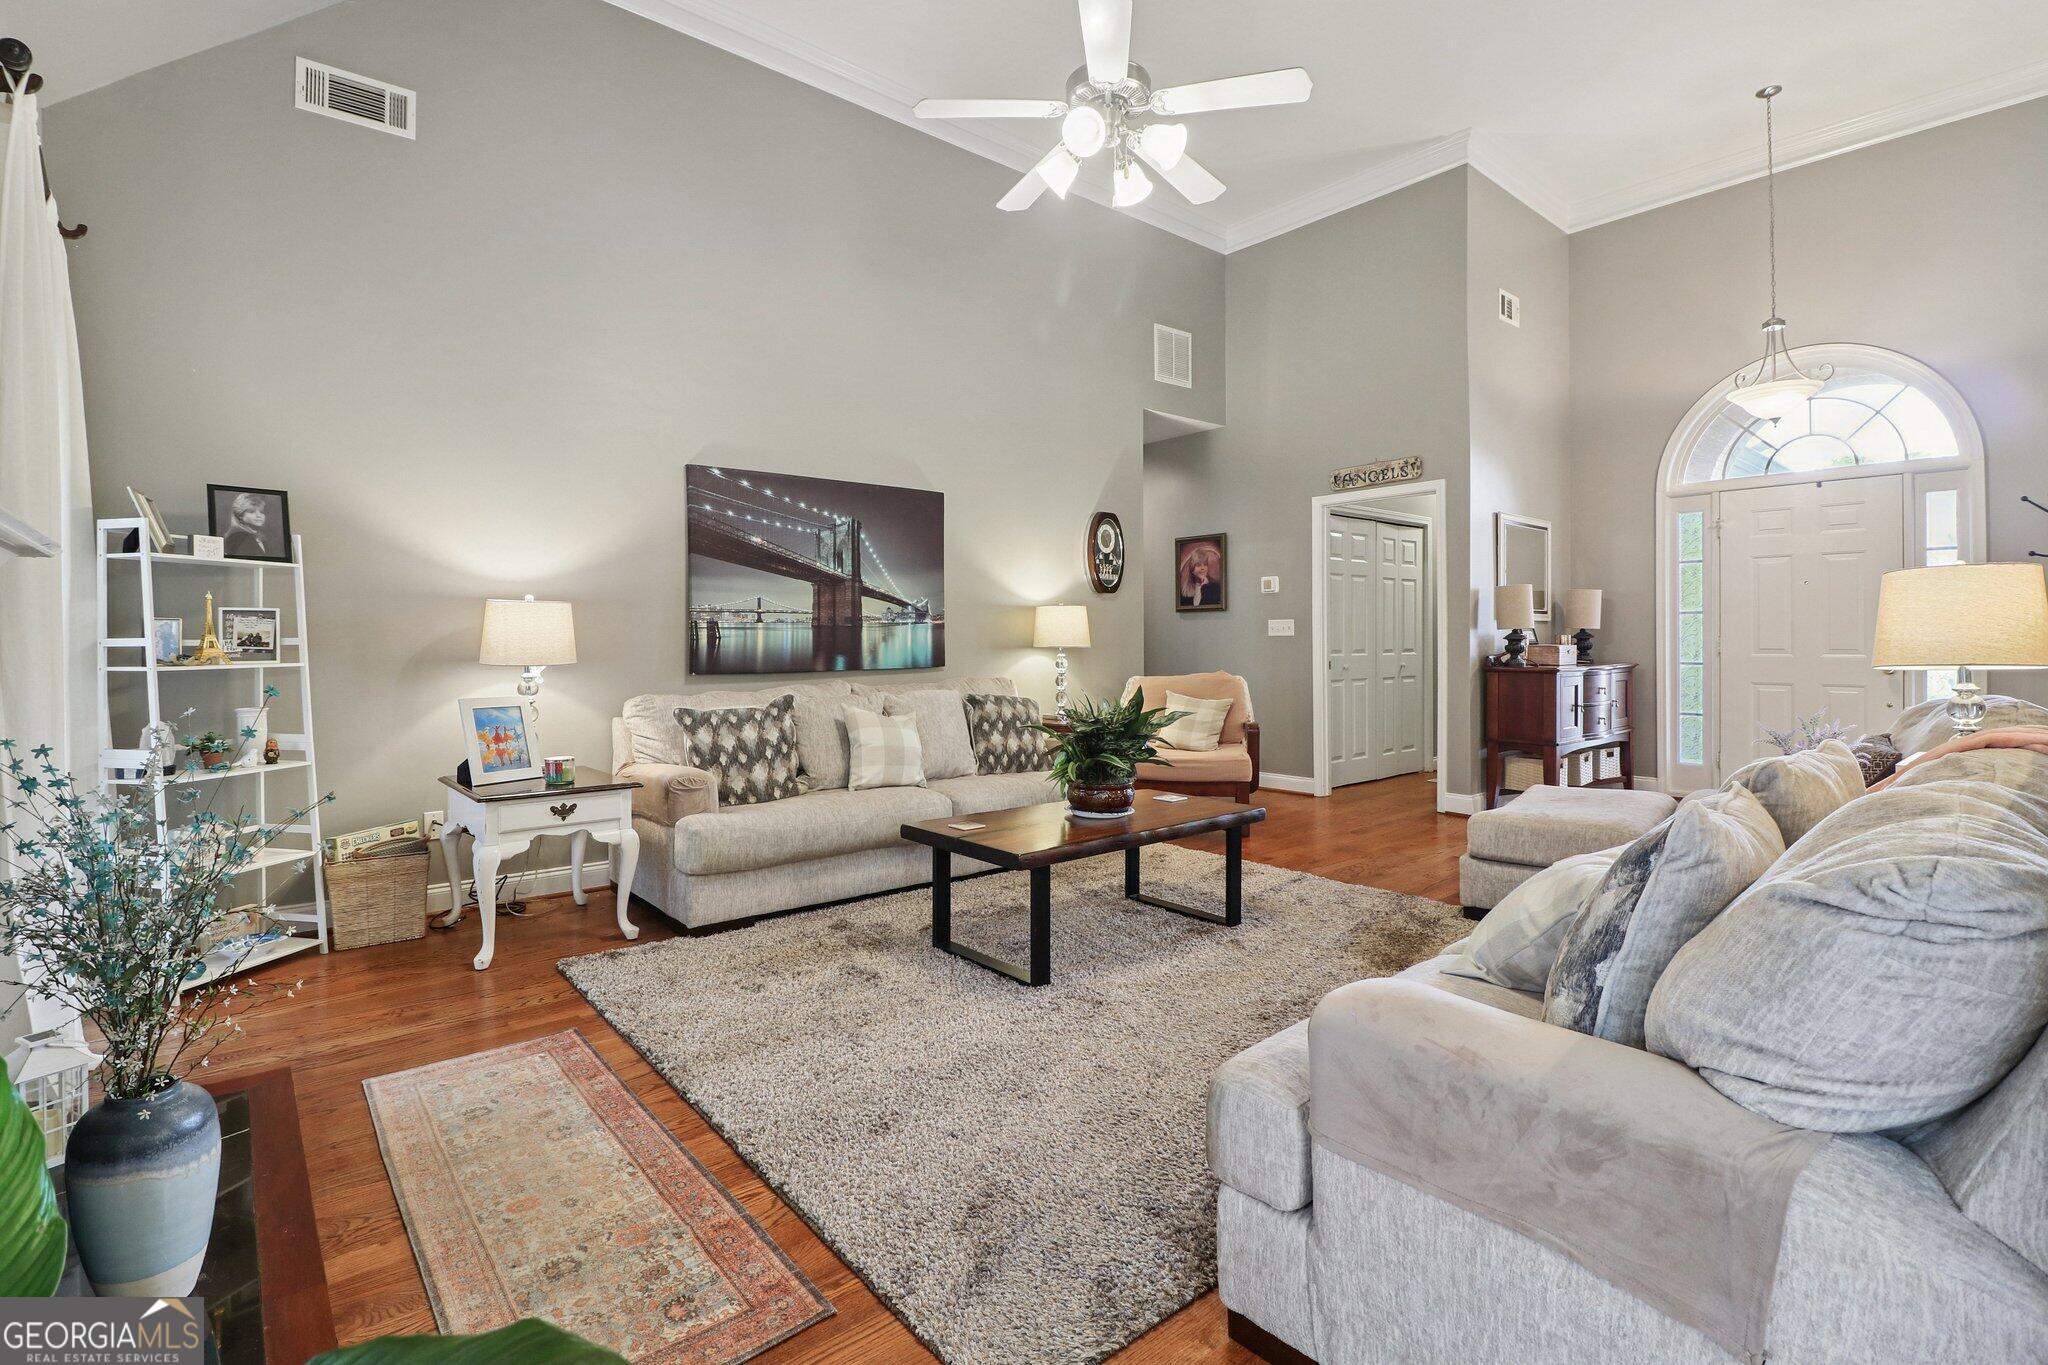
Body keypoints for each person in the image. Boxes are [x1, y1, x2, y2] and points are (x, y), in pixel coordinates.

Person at [222, 492, 274, 558]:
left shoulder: (261, 538)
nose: (259, 516)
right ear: (240, 515)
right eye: (252, 512)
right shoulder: (236, 537)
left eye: (261, 512)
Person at [1177, 542, 1224, 608]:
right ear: (1192, 568)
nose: (1203, 568)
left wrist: (1205, 587)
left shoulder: (1215, 586)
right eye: (1198, 565)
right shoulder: (1184, 589)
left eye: (1205, 564)